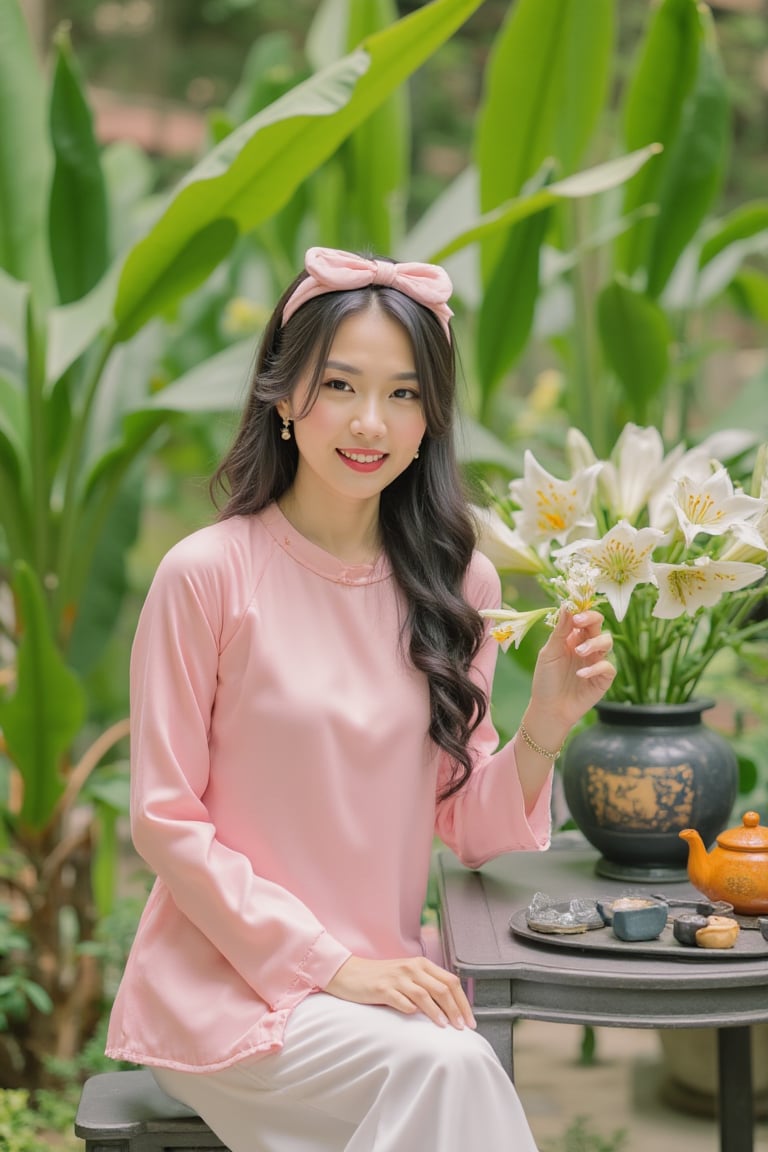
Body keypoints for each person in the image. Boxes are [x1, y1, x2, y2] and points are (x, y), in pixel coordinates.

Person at [106, 246, 616, 1152]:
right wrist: (332, 965)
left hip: (384, 987)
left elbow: (471, 826)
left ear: (431, 420)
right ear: (283, 396)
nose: (371, 421)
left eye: (406, 393)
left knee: (446, 1075)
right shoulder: (208, 576)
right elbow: (164, 823)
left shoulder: (459, 584)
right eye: (340, 385)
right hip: (229, 990)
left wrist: (545, 725)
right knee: (453, 1070)